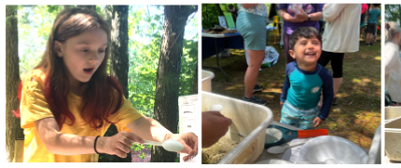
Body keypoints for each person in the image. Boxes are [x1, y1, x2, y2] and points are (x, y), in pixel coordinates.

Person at [16, 8, 197, 162]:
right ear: (58, 48)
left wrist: (171, 137)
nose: (94, 59)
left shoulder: (106, 92)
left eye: (101, 50)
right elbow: (51, 140)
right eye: (84, 49)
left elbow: (141, 123)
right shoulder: (36, 82)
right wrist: (103, 144)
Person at [280, 27, 333, 130]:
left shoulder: (325, 74)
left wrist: (323, 114)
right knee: (284, 132)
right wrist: (282, 98)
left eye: (315, 43)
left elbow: (328, 95)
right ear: (292, 53)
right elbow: (287, 83)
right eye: (304, 43)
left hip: (310, 113)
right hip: (289, 108)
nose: (310, 46)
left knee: (305, 139)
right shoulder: (290, 68)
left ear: (321, 51)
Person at [318, 4, 361, 105]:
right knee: (337, 67)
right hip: (341, 36)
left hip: (335, 37)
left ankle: (319, 99)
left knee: (317, 67)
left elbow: (329, 14)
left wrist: (325, 8)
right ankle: (330, 96)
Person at [236, 4, 268, 105]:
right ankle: (248, 97)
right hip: (252, 20)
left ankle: (252, 85)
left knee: (257, 59)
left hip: (252, 20)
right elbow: (246, 4)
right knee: (254, 64)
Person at [384, 22, 401, 105]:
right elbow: (385, 66)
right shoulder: (393, 47)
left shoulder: (386, 46)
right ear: (398, 34)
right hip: (391, 96)